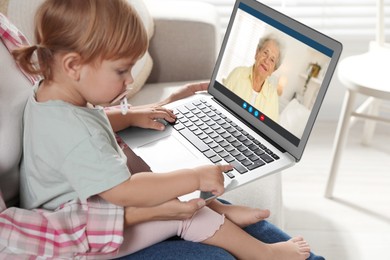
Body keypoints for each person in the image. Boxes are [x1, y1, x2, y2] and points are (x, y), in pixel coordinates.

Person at [11, 0, 324, 259]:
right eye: (121, 70)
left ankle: (220, 210)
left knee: (141, 162)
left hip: (77, 204)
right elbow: (124, 191)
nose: (129, 81)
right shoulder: (76, 134)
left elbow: (88, 126)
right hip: (85, 244)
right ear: (72, 65)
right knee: (186, 214)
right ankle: (264, 254)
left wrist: (129, 116)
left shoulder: (51, 93)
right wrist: (195, 177)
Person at [224, 34, 284, 122]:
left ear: (273, 70)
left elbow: (269, 131)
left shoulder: (272, 96)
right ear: (257, 53)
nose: (266, 61)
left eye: (272, 60)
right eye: (265, 53)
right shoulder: (237, 74)